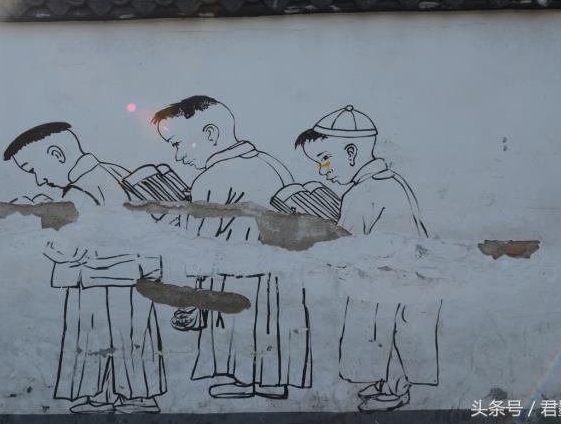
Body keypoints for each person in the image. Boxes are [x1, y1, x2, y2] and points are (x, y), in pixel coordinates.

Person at [152, 96, 311, 399]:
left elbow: (198, 240)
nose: (178, 156)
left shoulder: (213, 177)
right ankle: (271, 381)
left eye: (177, 144)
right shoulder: (272, 165)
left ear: (210, 134)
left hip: (237, 272)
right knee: (271, 325)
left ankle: (243, 378)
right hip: (279, 272)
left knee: (243, 326)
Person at [3, 122, 166, 414]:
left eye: (34, 169)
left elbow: (67, 249)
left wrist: (34, 222)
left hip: (97, 279)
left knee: (95, 337)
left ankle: (102, 396)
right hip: (132, 277)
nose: (39, 180)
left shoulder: (80, 191)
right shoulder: (113, 173)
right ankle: (133, 396)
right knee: (131, 338)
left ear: (57, 154)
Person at [295, 105, 441, 413]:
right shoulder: (390, 182)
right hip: (392, 279)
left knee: (387, 335)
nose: (323, 169)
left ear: (351, 153)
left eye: (324, 158)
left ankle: (394, 389)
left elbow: (347, 242)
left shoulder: (363, 192)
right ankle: (387, 384)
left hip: (387, 281)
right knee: (385, 334)